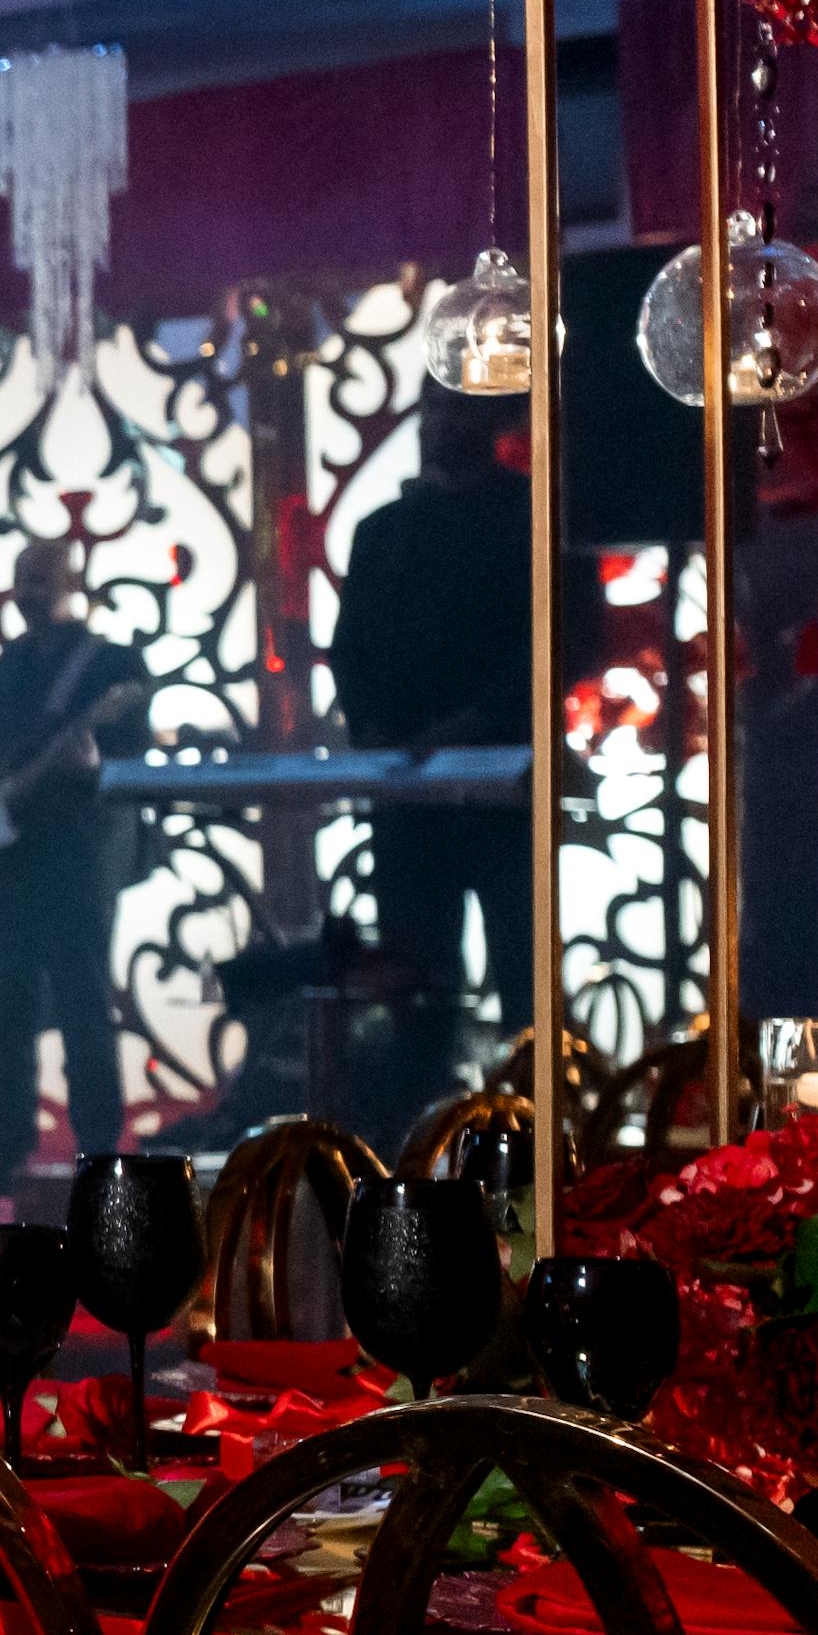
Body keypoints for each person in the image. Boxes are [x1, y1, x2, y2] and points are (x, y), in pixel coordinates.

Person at [330, 413, 528, 1136]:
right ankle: (415, 1151)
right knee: (416, 985)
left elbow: (564, 636)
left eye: (453, 405)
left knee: (524, 978)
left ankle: (535, 1140)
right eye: (431, 406)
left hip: (504, 794)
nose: (440, 423)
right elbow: (348, 650)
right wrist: (376, 732)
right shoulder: (382, 531)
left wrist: (475, 724)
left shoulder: (529, 516)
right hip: (409, 799)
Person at [0, 537, 145, 1178]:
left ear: (71, 582)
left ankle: (99, 1155)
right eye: (22, 580)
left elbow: (129, 761)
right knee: (9, 1014)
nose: (28, 593)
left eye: (40, 580)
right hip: (8, 863)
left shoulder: (111, 666)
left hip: (76, 859)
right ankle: (5, 1155)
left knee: (85, 1007)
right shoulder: (10, 665)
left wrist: (92, 765)